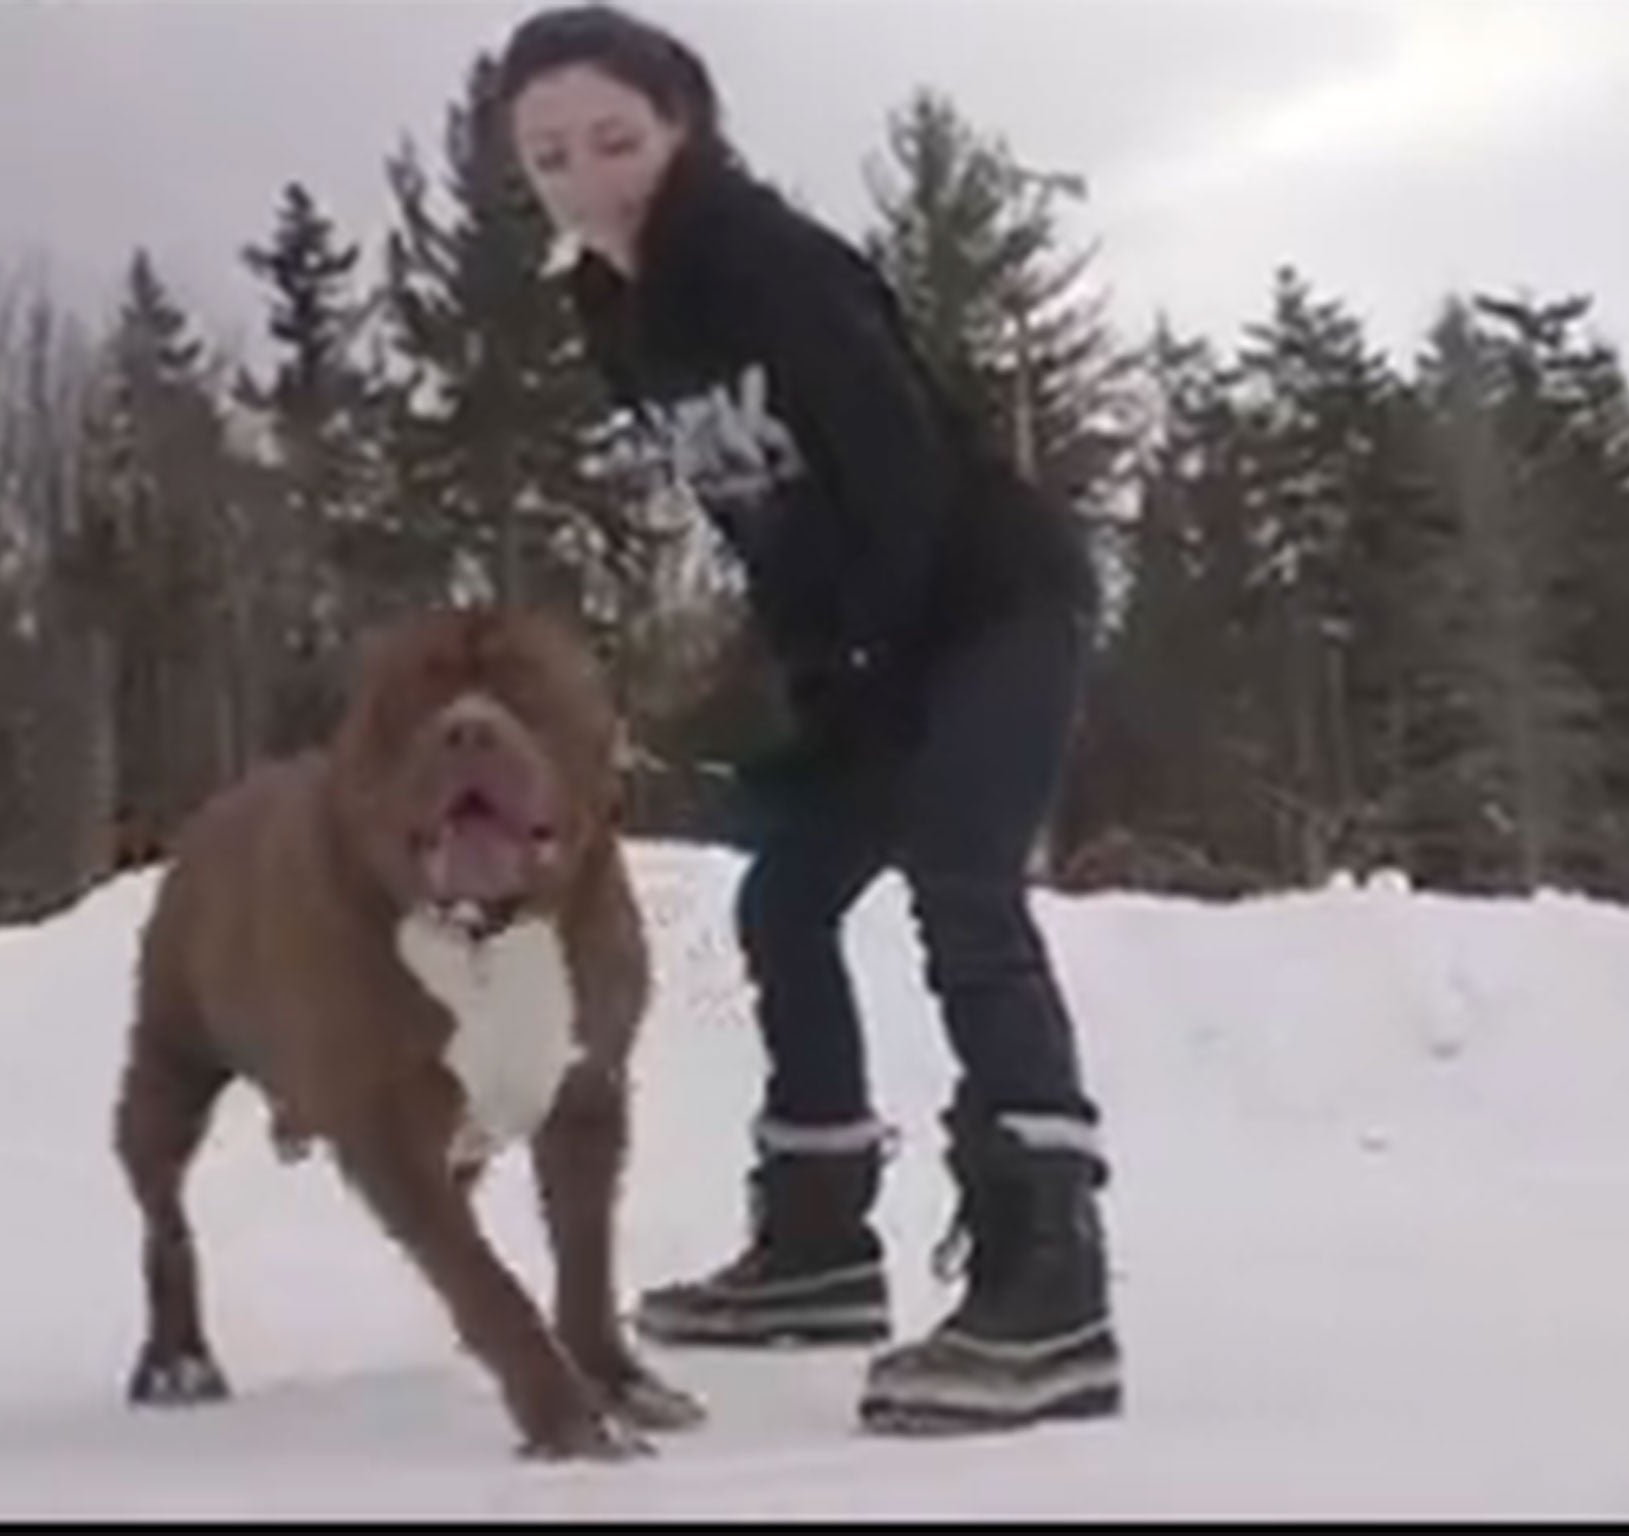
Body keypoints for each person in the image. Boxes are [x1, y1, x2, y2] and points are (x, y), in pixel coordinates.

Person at [497, 3, 1121, 1436]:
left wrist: (863, 657)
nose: (591, 178)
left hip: (989, 605)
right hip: (865, 635)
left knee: (964, 888)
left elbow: (898, 470)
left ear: (686, 128)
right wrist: (805, 672)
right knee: (787, 903)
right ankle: (822, 1247)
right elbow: (761, 510)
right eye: (549, 157)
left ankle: (1055, 1289)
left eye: (617, 139)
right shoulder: (612, 309)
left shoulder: (766, 262)